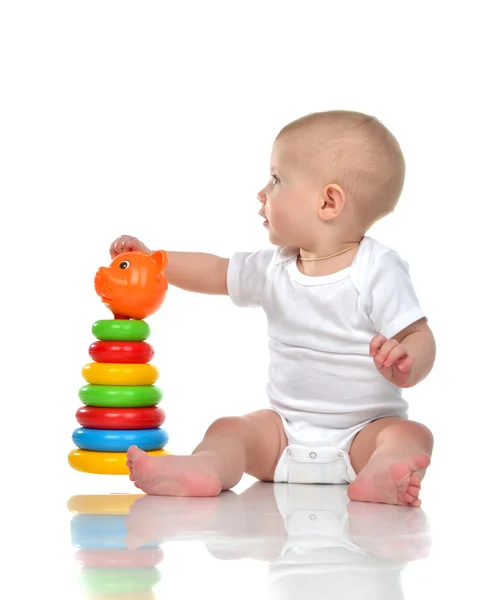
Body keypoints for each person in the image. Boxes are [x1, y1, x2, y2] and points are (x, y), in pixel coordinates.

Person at [110, 110, 436, 506]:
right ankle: (206, 466)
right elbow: (216, 271)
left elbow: (418, 335)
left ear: (328, 201)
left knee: (409, 435)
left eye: (277, 179)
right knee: (229, 429)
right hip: (283, 435)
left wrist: (408, 361)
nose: (262, 192)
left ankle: (382, 476)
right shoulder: (274, 266)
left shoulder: (376, 269)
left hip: (362, 436)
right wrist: (153, 259)